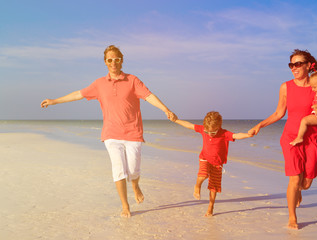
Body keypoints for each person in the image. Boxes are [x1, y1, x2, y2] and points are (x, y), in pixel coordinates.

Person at [41, 45, 176, 218]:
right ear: (105, 62)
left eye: (117, 59)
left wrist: (165, 109)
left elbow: (149, 96)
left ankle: (135, 185)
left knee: (133, 170)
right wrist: (54, 101)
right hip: (111, 133)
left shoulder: (133, 80)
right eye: (110, 60)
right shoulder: (99, 84)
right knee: (118, 169)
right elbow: (78, 94)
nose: (114, 63)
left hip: (133, 132)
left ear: (121, 61)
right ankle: (125, 205)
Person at [248, 49, 317, 229]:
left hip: (313, 136)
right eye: (291, 65)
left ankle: (299, 191)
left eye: (297, 64)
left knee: (307, 182)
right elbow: (279, 113)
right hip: (290, 136)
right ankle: (292, 218)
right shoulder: (285, 86)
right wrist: (260, 125)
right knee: (294, 179)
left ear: (308, 65)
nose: (293, 68)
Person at [170, 111, 252, 216]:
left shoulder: (224, 133)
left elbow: (236, 135)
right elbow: (189, 125)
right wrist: (176, 120)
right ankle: (197, 186)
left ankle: (210, 207)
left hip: (217, 163)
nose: (209, 134)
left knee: (214, 186)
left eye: (213, 132)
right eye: (207, 131)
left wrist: (248, 135)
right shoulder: (203, 129)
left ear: (219, 126)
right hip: (204, 158)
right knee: (204, 174)